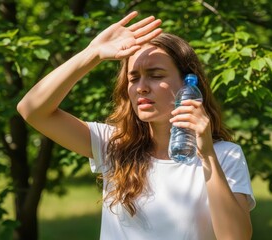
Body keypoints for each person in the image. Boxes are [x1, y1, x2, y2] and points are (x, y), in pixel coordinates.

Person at [17, 11, 255, 240]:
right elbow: (32, 109)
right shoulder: (113, 145)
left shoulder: (225, 155)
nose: (141, 87)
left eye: (156, 75)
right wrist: (92, 53)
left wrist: (207, 155)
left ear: (188, 84)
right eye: (133, 78)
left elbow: (235, 237)